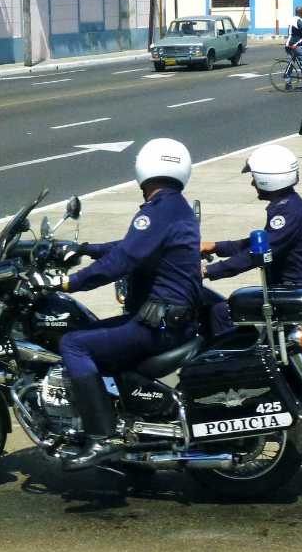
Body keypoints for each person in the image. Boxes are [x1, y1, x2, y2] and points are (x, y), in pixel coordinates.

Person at [28, 138, 201, 471]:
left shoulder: (158, 209)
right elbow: (130, 246)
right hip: (170, 319)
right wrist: (83, 249)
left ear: (146, 167)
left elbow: (122, 259)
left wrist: (65, 282)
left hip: (156, 325)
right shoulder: (173, 205)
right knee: (92, 333)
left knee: (73, 343)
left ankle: (100, 438)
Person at [200, 145, 302, 334]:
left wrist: (208, 271)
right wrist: (215, 247)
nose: (252, 184)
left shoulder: (287, 214)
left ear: (267, 179)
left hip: (293, 290)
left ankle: (234, 362)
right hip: (290, 288)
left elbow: (253, 255)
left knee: (222, 311)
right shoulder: (289, 206)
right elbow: (258, 244)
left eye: (254, 178)